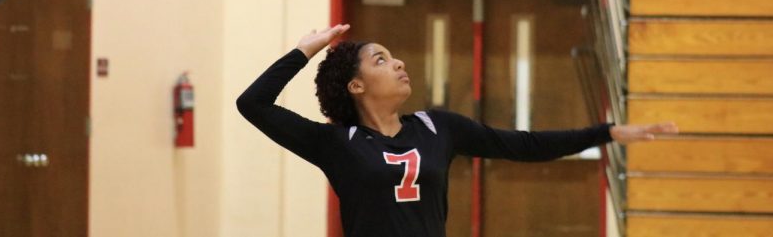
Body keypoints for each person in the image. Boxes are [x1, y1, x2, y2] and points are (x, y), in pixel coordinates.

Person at [237, 24, 678, 237]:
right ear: (356, 86)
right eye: (381, 60)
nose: (398, 63)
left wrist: (606, 132)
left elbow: (524, 145)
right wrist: (303, 50)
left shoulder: (437, 127)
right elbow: (252, 104)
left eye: (393, 57)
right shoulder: (336, 144)